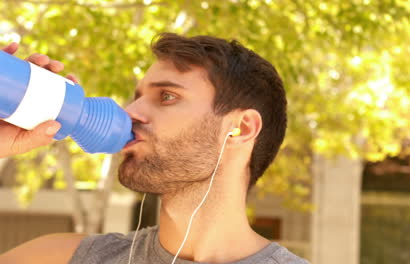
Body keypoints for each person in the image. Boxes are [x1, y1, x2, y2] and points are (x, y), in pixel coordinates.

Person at [0, 33, 310, 264]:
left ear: (240, 129)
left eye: (167, 97)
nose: (131, 111)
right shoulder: (62, 258)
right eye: (136, 96)